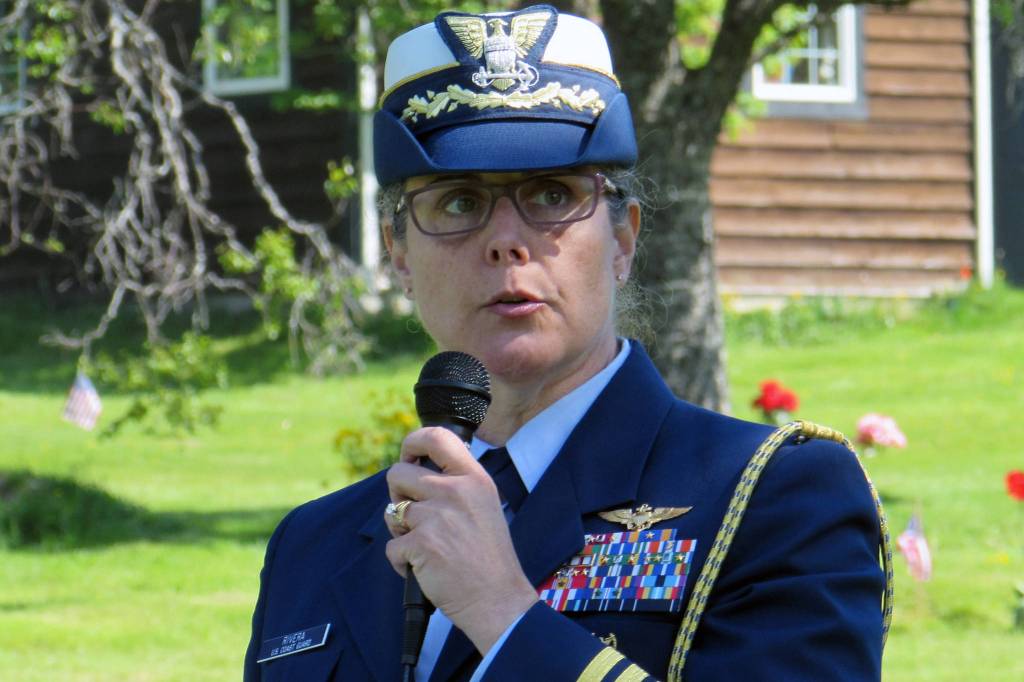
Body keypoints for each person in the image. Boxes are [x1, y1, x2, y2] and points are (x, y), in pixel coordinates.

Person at [244, 5, 891, 681]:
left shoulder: (773, 498)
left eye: (551, 195)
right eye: (458, 202)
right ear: (399, 254)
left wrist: (501, 611)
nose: (505, 241)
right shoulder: (313, 546)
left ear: (623, 238)